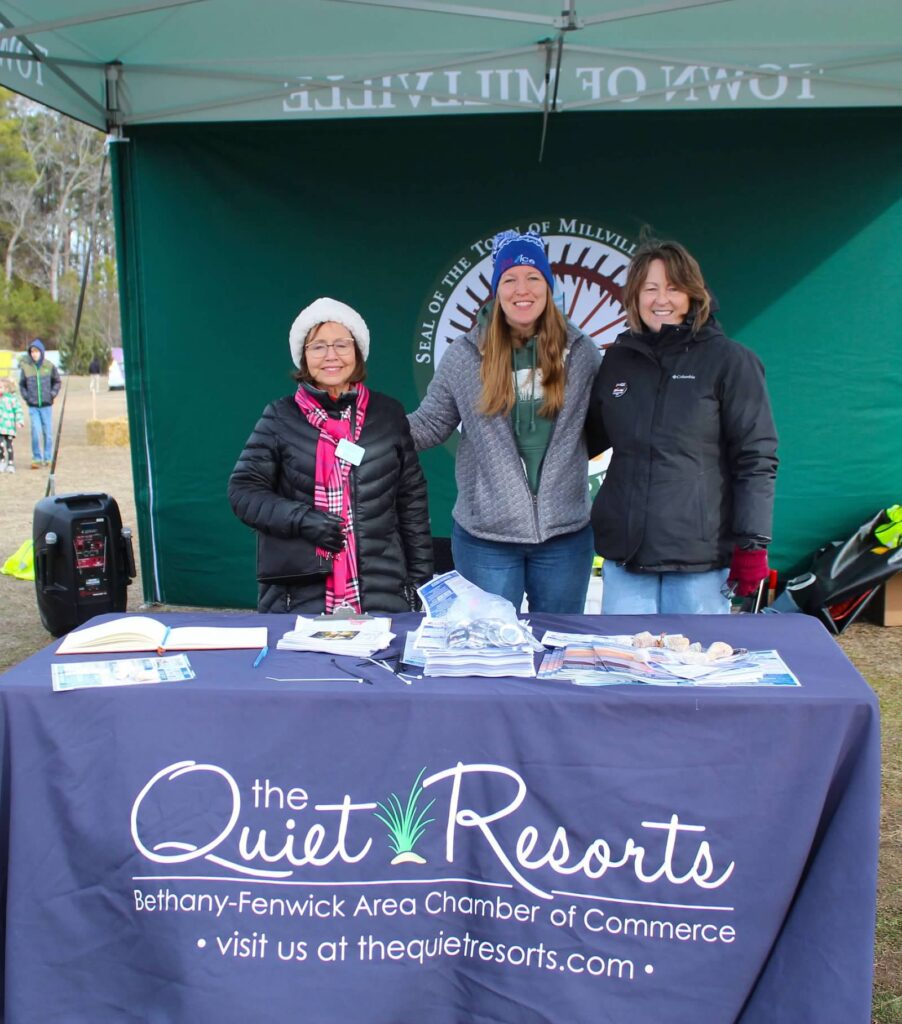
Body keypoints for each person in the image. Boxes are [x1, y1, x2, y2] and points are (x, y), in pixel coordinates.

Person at [408, 230, 600, 613]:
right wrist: (362, 428)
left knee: (560, 652)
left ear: (548, 286)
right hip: (486, 541)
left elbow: (612, 422)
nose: (521, 289)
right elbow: (428, 425)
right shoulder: (465, 356)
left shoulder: (582, 353)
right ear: (497, 290)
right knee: (488, 656)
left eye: (533, 277)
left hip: (565, 537)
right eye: (509, 279)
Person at [586, 238, 778, 614]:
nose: (662, 299)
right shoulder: (617, 361)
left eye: (673, 288)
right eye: (650, 288)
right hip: (626, 559)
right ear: (635, 296)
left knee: (694, 669)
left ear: (694, 294)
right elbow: (584, 441)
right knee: (623, 669)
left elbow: (756, 459)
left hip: (699, 567)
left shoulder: (730, 362)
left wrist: (752, 544)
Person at [229, 297, 433, 614]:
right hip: (298, 596)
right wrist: (302, 519)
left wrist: (419, 583)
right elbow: (243, 491)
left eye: (341, 344)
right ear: (304, 357)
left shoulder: (388, 413)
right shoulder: (279, 417)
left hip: (383, 592)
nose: (331, 356)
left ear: (357, 352)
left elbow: (412, 500)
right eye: (318, 346)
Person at [19, 339, 61, 469]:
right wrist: (27, 397)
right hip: (33, 406)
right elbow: (22, 385)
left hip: (46, 406)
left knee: (47, 433)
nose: (34, 354)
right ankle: (36, 458)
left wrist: (52, 394)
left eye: (36, 351)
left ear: (41, 352)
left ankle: (48, 458)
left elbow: (57, 382)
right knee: (35, 432)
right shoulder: (26, 368)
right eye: (32, 351)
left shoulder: (49, 366)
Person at [0, 378, 26, 473]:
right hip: (0, 428)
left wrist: (20, 421)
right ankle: (2, 461)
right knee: (1, 445)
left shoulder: (12, 399)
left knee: (9, 446)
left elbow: (18, 411)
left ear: (6, 389)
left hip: (9, 428)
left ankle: (10, 464)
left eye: (1, 387)